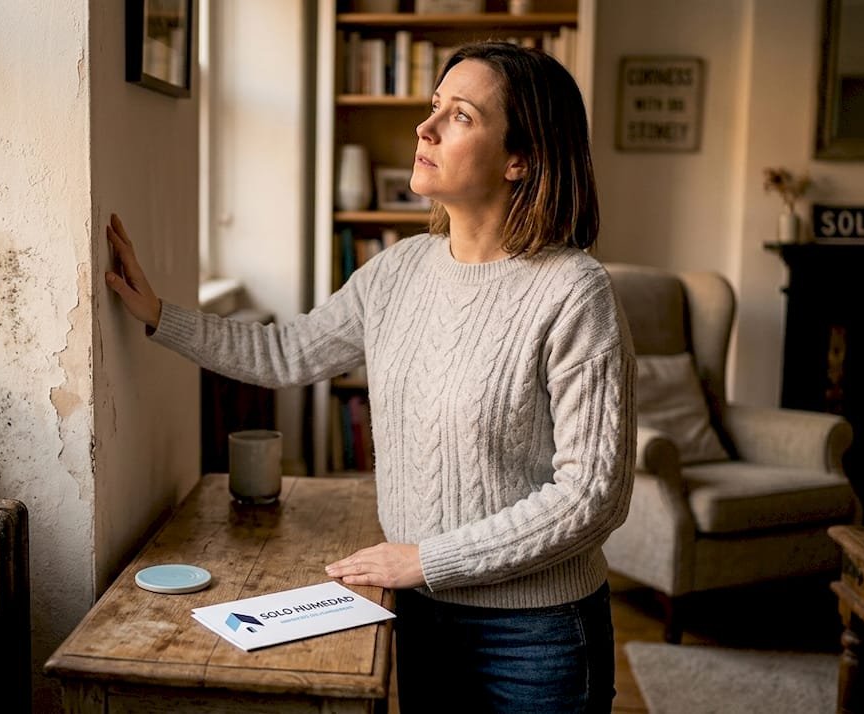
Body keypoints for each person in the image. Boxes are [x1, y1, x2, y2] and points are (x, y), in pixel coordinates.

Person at [105, 41, 634, 713]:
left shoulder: (574, 291)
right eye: (434, 106)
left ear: (520, 158)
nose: (427, 127)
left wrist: (425, 559)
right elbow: (286, 353)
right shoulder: (399, 269)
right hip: (416, 612)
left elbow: (592, 496)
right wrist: (159, 316)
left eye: (461, 115)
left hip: (534, 638)